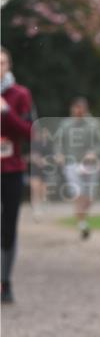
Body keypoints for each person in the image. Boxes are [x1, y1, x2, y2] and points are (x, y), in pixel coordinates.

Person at [1, 46, 34, 304]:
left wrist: (6, 112)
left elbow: (30, 132)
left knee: (8, 228)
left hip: (11, 170)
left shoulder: (20, 94)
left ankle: (6, 282)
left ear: (8, 65)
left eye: (2, 63)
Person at [53, 97, 100, 238]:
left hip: (90, 165)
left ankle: (82, 217)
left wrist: (94, 153)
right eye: (75, 108)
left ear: (85, 109)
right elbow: (58, 142)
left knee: (90, 196)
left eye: (81, 108)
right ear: (72, 109)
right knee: (78, 194)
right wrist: (59, 154)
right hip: (71, 164)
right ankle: (82, 224)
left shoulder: (94, 124)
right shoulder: (65, 125)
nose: (78, 111)